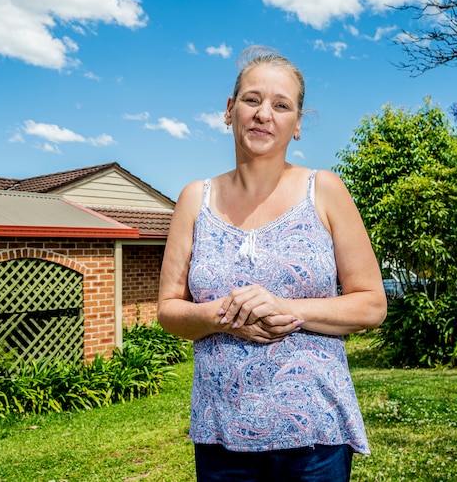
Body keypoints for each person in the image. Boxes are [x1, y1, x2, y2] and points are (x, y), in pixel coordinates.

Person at [157, 45, 387, 482]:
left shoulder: (325, 190)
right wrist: (224, 316)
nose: (264, 113)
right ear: (230, 110)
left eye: (281, 105)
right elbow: (169, 311)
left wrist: (287, 308)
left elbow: (372, 304)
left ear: (297, 124)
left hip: (314, 438)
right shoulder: (193, 199)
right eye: (252, 99)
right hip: (220, 437)